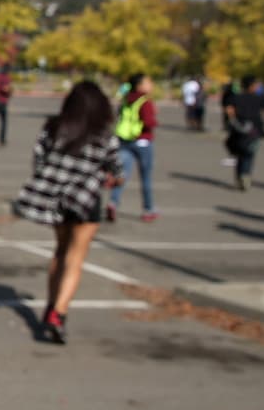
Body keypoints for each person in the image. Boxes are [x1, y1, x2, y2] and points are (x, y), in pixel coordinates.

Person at [13, 81, 122, 344]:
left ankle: (51, 306)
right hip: (86, 200)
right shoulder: (104, 134)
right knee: (76, 258)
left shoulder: (53, 127)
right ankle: (59, 313)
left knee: (60, 252)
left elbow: (38, 160)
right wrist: (108, 178)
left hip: (56, 198)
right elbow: (116, 171)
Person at [108, 73, 159, 222]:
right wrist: (154, 120)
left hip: (125, 140)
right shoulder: (144, 101)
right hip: (142, 141)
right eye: (148, 82)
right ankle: (148, 209)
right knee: (146, 178)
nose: (151, 85)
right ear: (140, 85)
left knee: (122, 174)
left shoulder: (127, 98)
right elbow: (149, 122)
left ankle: (113, 202)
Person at [224, 74, 264, 190]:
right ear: (252, 85)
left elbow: (229, 109)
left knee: (239, 154)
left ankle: (240, 176)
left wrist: (233, 120)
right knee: (249, 154)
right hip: (254, 130)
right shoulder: (259, 98)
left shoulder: (236, 97)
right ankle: (245, 174)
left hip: (238, 129)